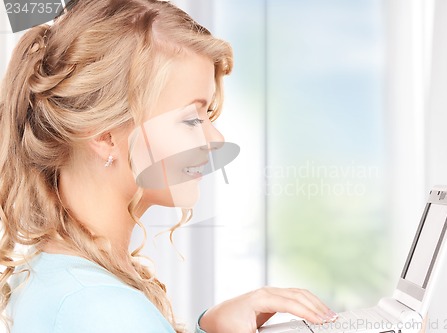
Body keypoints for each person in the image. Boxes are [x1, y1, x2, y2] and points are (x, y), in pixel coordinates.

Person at [0, 0, 337, 332]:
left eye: (208, 116)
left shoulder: (55, 276)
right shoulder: (107, 310)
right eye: (191, 119)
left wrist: (213, 328)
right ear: (105, 137)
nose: (215, 138)